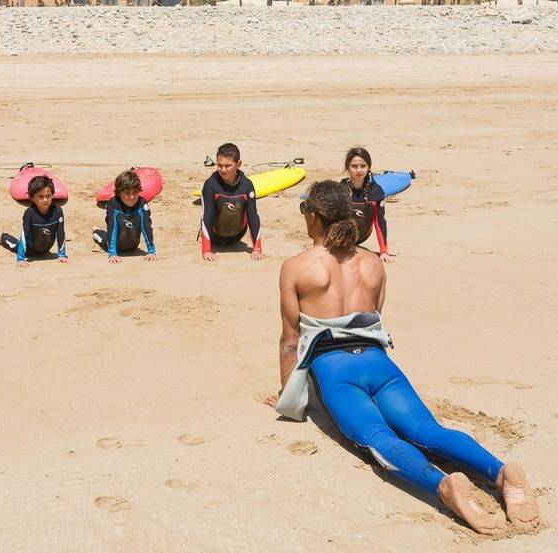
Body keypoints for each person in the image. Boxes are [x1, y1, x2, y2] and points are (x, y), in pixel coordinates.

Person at [270, 181, 539, 534]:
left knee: (377, 438)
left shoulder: (296, 266)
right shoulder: (372, 263)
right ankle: (501, 473)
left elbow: (291, 340)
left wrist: (291, 399)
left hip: (335, 368)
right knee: (428, 430)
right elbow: (375, 316)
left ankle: (442, 486)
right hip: (378, 363)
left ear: (314, 216)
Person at [199, 143, 262, 262]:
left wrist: (257, 248)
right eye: (219, 165)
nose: (223, 170)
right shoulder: (210, 185)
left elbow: (252, 216)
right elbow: (207, 216)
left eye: (228, 166)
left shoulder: (247, 185)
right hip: (215, 238)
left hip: (237, 236)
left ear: (238, 164)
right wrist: (206, 250)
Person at [92, 169, 158, 264]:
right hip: (113, 245)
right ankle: (96, 230)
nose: (131, 197)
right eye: (127, 193)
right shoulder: (113, 204)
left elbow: (146, 227)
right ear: (119, 193)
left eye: (135, 192)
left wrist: (151, 251)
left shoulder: (142, 203)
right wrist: (113, 253)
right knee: (101, 237)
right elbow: (112, 228)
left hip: (133, 245)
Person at [0, 175, 68, 265]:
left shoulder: (57, 211)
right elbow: (24, 235)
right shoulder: (30, 213)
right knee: (14, 245)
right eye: (40, 196)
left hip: (46, 248)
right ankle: (3, 237)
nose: (45, 199)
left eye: (48, 195)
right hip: (29, 250)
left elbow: (60, 232)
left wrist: (62, 255)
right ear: (32, 197)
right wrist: (20, 259)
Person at [341, 147, 392, 261]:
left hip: (362, 235)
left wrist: (383, 251)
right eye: (354, 166)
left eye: (363, 166)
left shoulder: (375, 191)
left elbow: (379, 222)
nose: (359, 170)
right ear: (347, 168)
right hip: (341, 238)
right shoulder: (341, 189)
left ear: (369, 167)